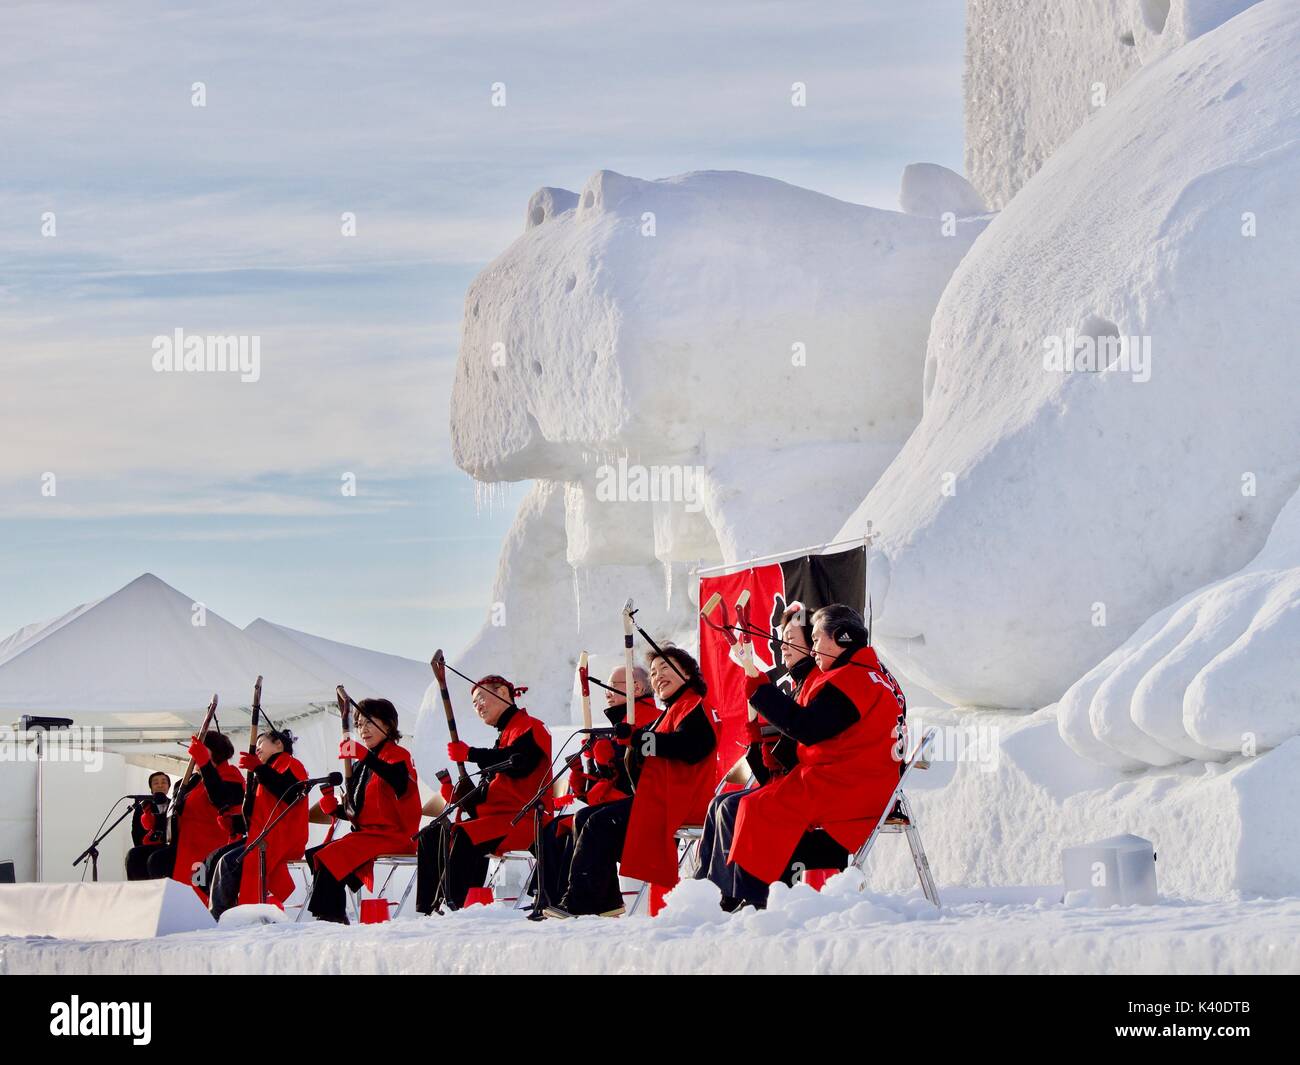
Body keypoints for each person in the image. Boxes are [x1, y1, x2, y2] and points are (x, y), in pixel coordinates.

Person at [720, 603, 907, 910]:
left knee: (755, 808)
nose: (814, 648)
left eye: (818, 639)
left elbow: (807, 728)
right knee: (752, 806)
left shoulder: (852, 679)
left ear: (842, 638)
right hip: (861, 785)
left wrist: (759, 686)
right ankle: (748, 898)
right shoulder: (874, 676)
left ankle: (752, 902)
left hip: (850, 791)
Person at [694, 608, 851, 908]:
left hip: (813, 793)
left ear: (814, 643)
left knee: (732, 806)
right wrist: (759, 742)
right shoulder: (796, 688)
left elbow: (808, 740)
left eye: (792, 639)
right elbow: (772, 769)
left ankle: (731, 897)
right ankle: (707, 891)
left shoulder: (822, 684)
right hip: (791, 786)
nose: (783, 647)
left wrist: (775, 744)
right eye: (782, 640)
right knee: (721, 804)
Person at [546, 645, 718, 918]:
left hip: (680, 801)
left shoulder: (693, 705)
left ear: (688, 674)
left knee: (596, 823)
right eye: (653, 672)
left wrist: (636, 741)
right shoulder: (672, 710)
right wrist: (624, 751)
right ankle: (604, 903)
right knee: (584, 819)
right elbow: (641, 763)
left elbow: (694, 746)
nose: (657, 675)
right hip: (659, 798)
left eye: (665, 668)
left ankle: (581, 903)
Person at [414, 676, 552, 913]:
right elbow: (489, 792)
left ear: (503, 692)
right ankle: (428, 909)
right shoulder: (505, 734)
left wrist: (471, 754)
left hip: (523, 818)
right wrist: (458, 795)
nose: (478, 707)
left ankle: (452, 905)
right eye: (474, 704)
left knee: (465, 834)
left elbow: (518, 763)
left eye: (481, 698)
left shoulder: (530, 726)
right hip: (496, 818)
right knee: (431, 834)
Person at [532, 664, 654, 907]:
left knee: (584, 822)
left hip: (639, 806)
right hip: (615, 803)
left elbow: (644, 771)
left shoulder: (649, 720)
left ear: (637, 688)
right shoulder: (618, 724)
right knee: (554, 828)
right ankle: (551, 897)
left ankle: (589, 900)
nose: (606, 693)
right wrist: (584, 773)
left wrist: (611, 760)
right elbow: (606, 780)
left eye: (612, 687)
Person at [305, 699, 421, 923]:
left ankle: (331, 918)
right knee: (315, 854)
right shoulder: (361, 763)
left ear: (388, 725)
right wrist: (336, 809)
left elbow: (400, 782)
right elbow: (356, 810)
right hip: (368, 835)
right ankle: (333, 914)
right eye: (358, 724)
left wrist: (365, 757)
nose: (363, 729)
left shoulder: (398, 755)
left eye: (369, 722)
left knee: (331, 857)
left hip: (394, 835)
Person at [208, 728, 309, 918]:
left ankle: (222, 916)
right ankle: (225, 913)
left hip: (283, 837)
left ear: (278, 744)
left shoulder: (291, 763)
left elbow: (290, 793)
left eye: (261, 743)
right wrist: (235, 823)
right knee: (216, 858)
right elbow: (256, 815)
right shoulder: (266, 772)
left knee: (228, 863)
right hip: (264, 835)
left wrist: (258, 769)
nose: (257, 749)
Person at [148, 734, 244, 900]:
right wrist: (155, 820)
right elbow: (177, 812)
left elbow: (220, 798)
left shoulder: (230, 774)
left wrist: (205, 764)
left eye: (202, 749)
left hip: (209, 844)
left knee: (160, 863)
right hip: (186, 842)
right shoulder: (192, 780)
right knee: (139, 858)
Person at [124, 771, 171, 880]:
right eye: (156, 783)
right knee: (133, 856)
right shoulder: (142, 807)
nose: (160, 785)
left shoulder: (175, 804)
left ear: (168, 787)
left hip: (168, 847)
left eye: (164, 782)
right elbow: (136, 832)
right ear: (151, 788)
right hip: (147, 848)